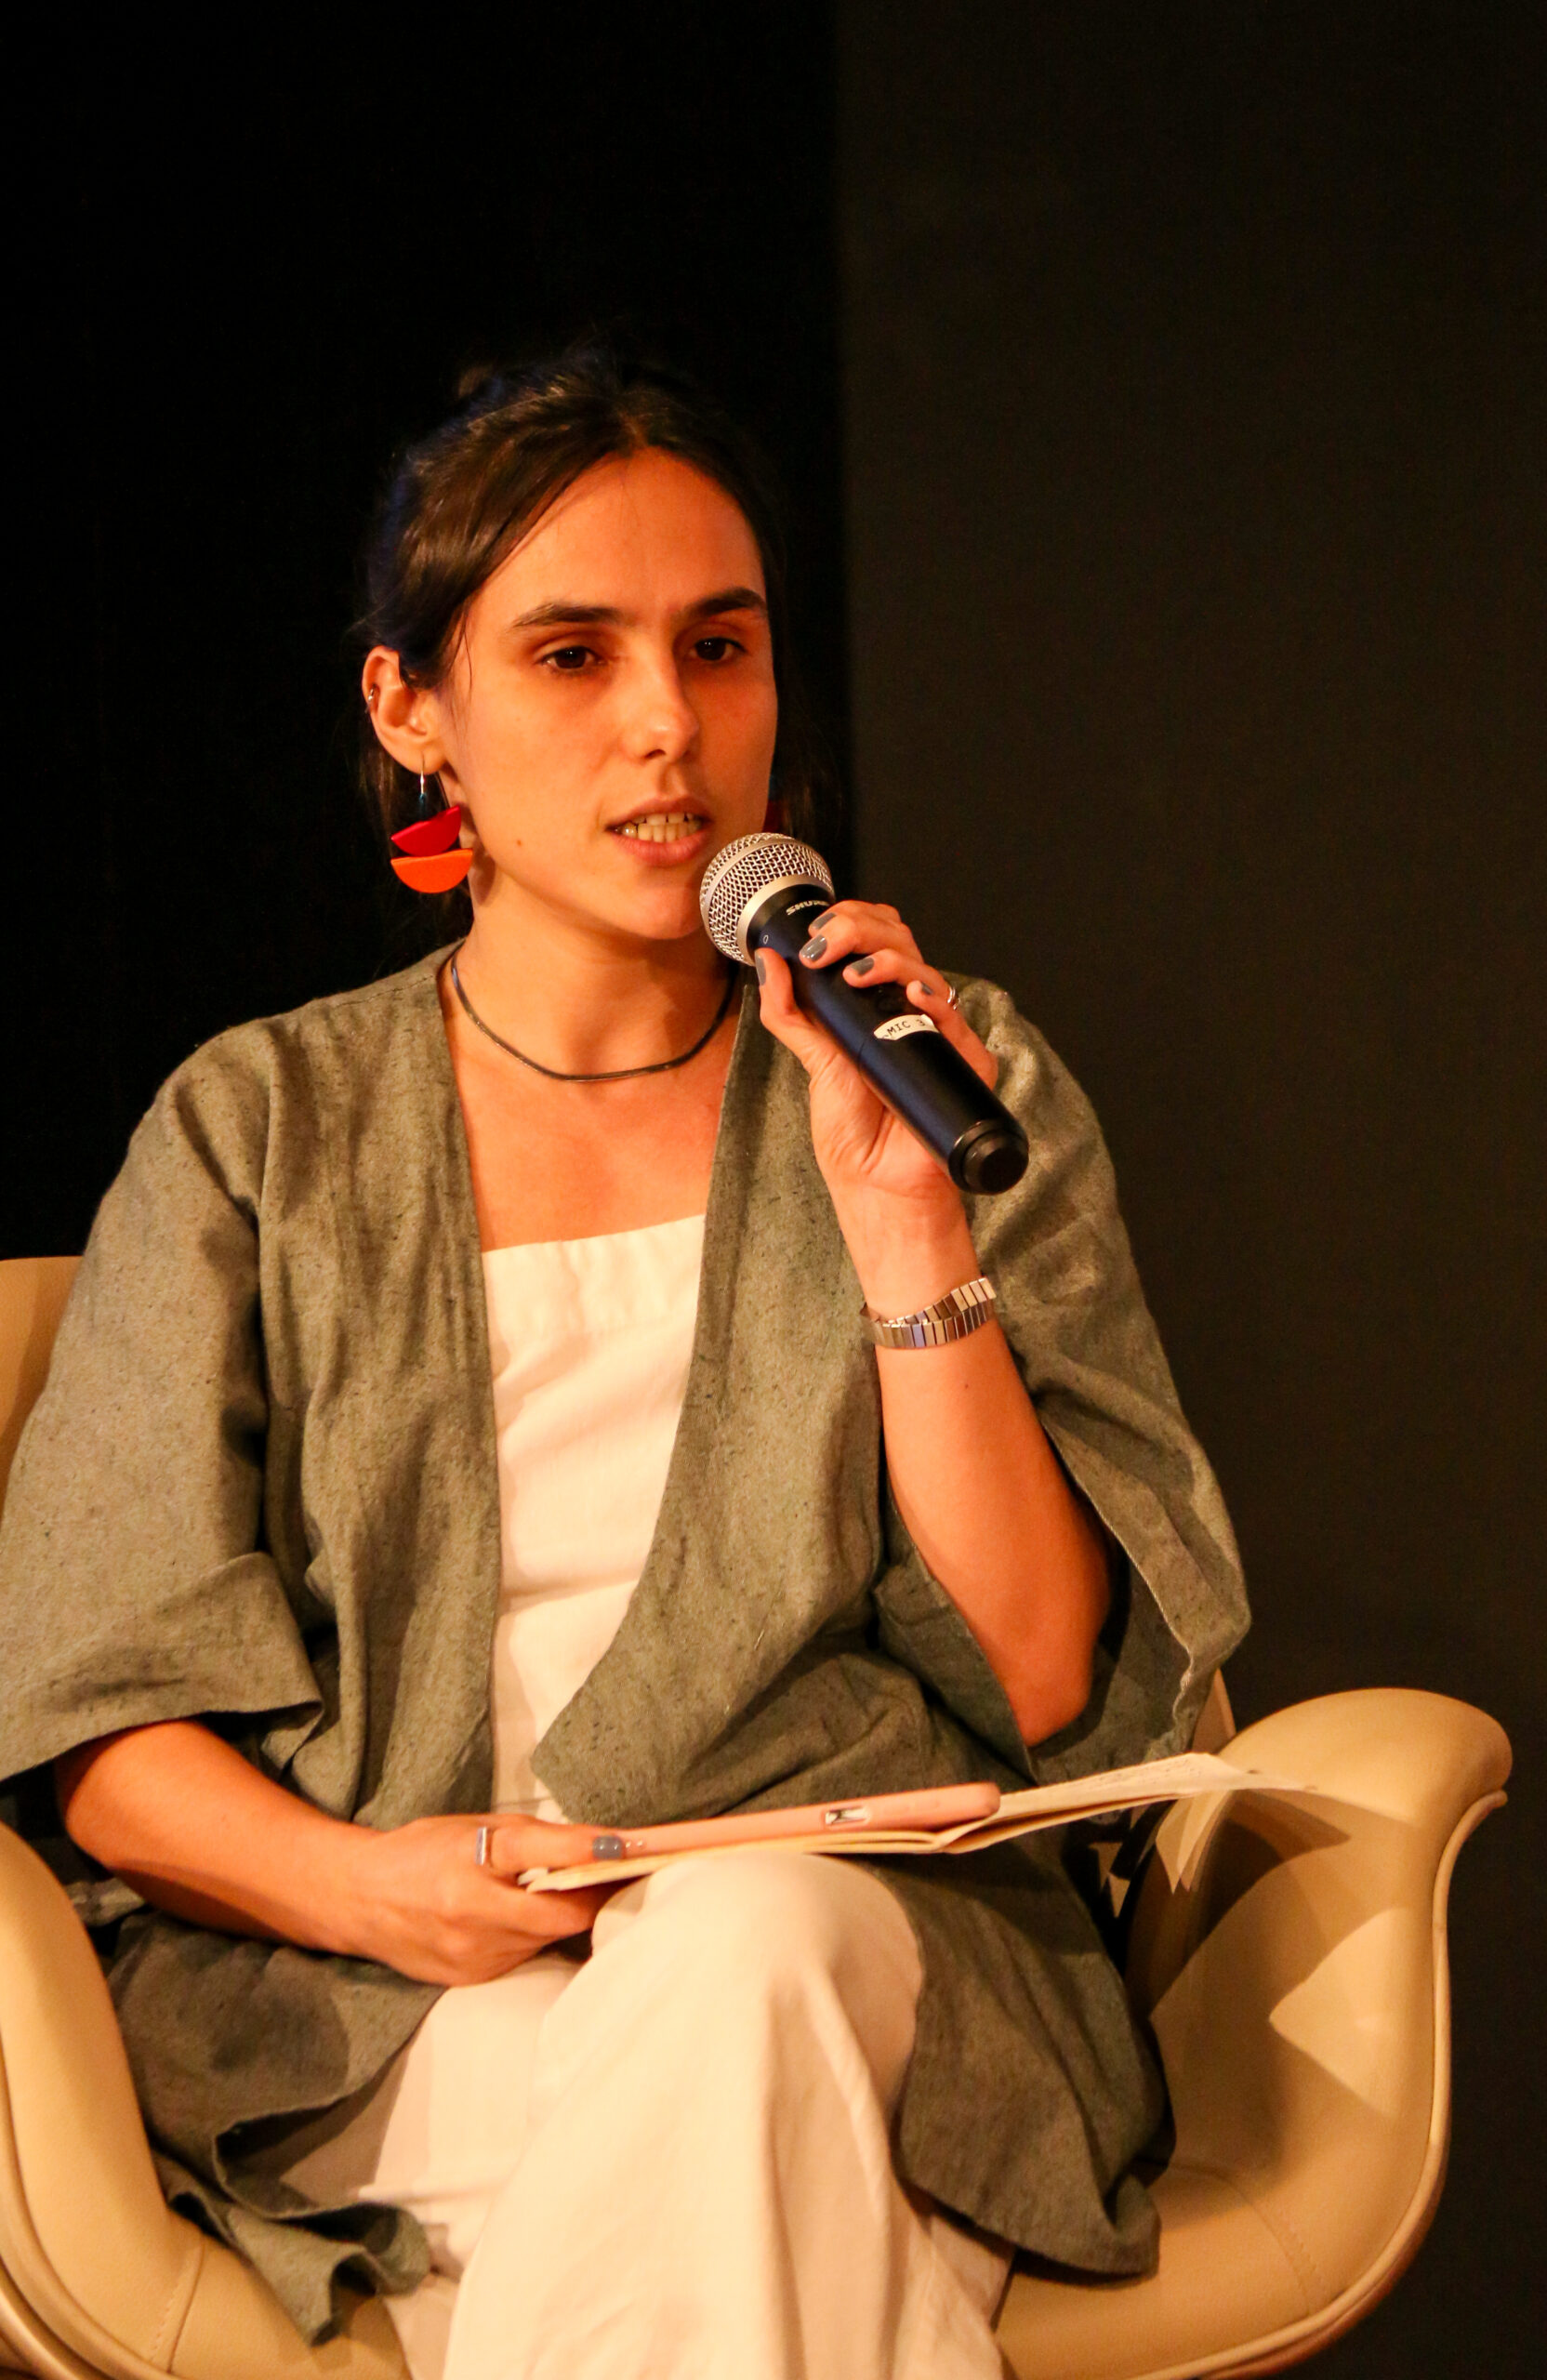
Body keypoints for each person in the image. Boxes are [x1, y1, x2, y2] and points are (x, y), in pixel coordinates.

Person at [0, 344, 1248, 2380]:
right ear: (413, 712)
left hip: (867, 1950)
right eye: (574, 655)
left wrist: (903, 1227)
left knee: (743, 1968)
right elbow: (99, 1718)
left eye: (719, 647)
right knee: (751, 2167)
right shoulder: (256, 1127)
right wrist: (371, 1890)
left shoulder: (950, 1076)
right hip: (384, 1993)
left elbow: (1045, 1677)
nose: (670, 723)